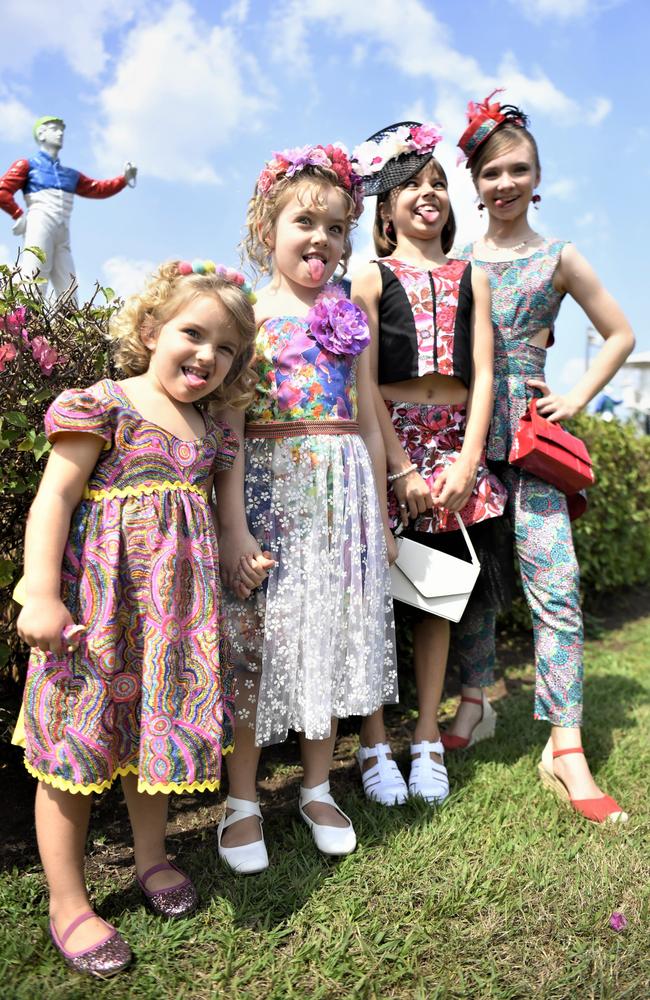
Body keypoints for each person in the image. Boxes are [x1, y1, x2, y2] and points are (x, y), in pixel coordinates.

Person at [14, 259, 257, 976]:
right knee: (77, 748)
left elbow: (210, 511)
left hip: (170, 625)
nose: (208, 355)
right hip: (94, 617)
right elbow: (54, 499)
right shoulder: (104, 404)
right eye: (193, 333)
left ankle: (151, 858)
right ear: (151, 329)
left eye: (228, 350)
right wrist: (38, 590)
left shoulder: (209, 430)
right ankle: (68, 900)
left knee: (151, 738)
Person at [447, 92, 635, 823]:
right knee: (470, 579)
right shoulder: (456, 261)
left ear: (537, 175)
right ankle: (476, 703)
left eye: (517, 169)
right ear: (475, 180)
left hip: (528, 436)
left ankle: (565, 746)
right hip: (461, 431)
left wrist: (578, 398)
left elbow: (618, 333)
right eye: (491, 171)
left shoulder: (560, 256)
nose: (504, 183)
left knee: (555, 584)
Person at [214, 143, 398, 873]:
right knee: (256, 646)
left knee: (326, 635)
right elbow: (228, 435)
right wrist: (234, 527)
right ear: (268, 227)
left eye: (336, 227)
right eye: (304, 221)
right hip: (270, 496)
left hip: (342, 499)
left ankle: (318, 785)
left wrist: (379, 518)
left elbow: (367, 420)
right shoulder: (248, 317)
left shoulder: (349, 316)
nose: (320, 239)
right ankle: (242, 799)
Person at [351, 122, 509, 806]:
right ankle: (374, 743)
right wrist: (398, 469)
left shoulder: (472, 272)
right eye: (411, 185)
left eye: (438, 183)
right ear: (385, 208)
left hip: (453, 448)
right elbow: (360, 383)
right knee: (375, 605)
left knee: (435, 602)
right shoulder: (367, 275)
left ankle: (425, 738)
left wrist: (469, 460)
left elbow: (484, 375)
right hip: (389, 443)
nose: (428, 194)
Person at [0, 116, 137, 297]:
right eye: (54, 129)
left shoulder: (69, 175)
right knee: (33, 277)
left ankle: (70, 323)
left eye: (62, 130)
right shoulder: (28, 165)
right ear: (41, 134)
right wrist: (18, 214)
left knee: (68, 284)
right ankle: (24, 323)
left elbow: (98, 188)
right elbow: (3, 191)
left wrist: (124, 179)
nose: (60, 133)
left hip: (62, 230)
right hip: (40, 223)